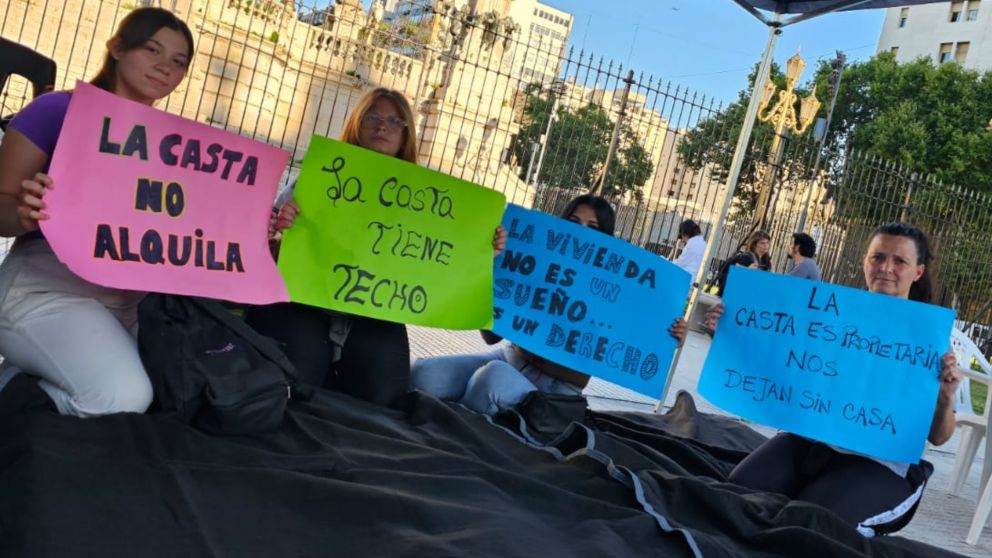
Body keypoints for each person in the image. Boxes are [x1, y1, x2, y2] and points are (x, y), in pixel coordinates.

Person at [249, 87, 506, 407]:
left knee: (385, 397)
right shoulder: (319, 174)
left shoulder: (426, 200)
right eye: (373, 117)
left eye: (395, 121)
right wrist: (280, 228)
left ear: (405, 136)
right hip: (305, 307)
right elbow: (262, 238)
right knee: (294, 386)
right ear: (357, 124)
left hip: (372, 316)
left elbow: (438, 257)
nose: (382, 126)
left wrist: (482, 250)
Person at [704, 222, 961, 536]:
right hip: (811, 440)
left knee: (810, 525)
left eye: (900, 261)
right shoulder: (830, 317)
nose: (886, 268)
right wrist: (730, 333)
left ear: (917, 272)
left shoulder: (930, 339)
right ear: (865, 261)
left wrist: (945, 399)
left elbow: (939, 437)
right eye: (878, 258)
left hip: (880, 465)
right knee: (731, 498)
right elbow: (778, 362)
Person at [0, 8, 195, 416]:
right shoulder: (56, 110)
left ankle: (35, 375)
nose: (165, 68)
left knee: (184, 386)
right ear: (117, 47)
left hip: (128, 301)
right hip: (44, 289)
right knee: (121, 398)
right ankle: (12, 393)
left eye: (179, 62)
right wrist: (24, 213)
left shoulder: (173, 145)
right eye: (152, 49)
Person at [410, 194, 688, 415]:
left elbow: (644, 328)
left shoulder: (614, 289)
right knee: (424, 373)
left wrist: (669, 335)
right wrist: (494, 265)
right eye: (573, 221)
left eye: (593, 228)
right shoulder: (538, 265)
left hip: (557, 392)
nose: (580, 233)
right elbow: (490, 336)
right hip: (509, 359)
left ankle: (454, 436)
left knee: (489, 380)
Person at [715, 229, 771, 296]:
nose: (766, 245)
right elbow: (734, 278)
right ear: (754, 245)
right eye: (762, 243)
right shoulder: (746, 258)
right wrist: (747, 271)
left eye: (767, 242)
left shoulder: (766, 261)